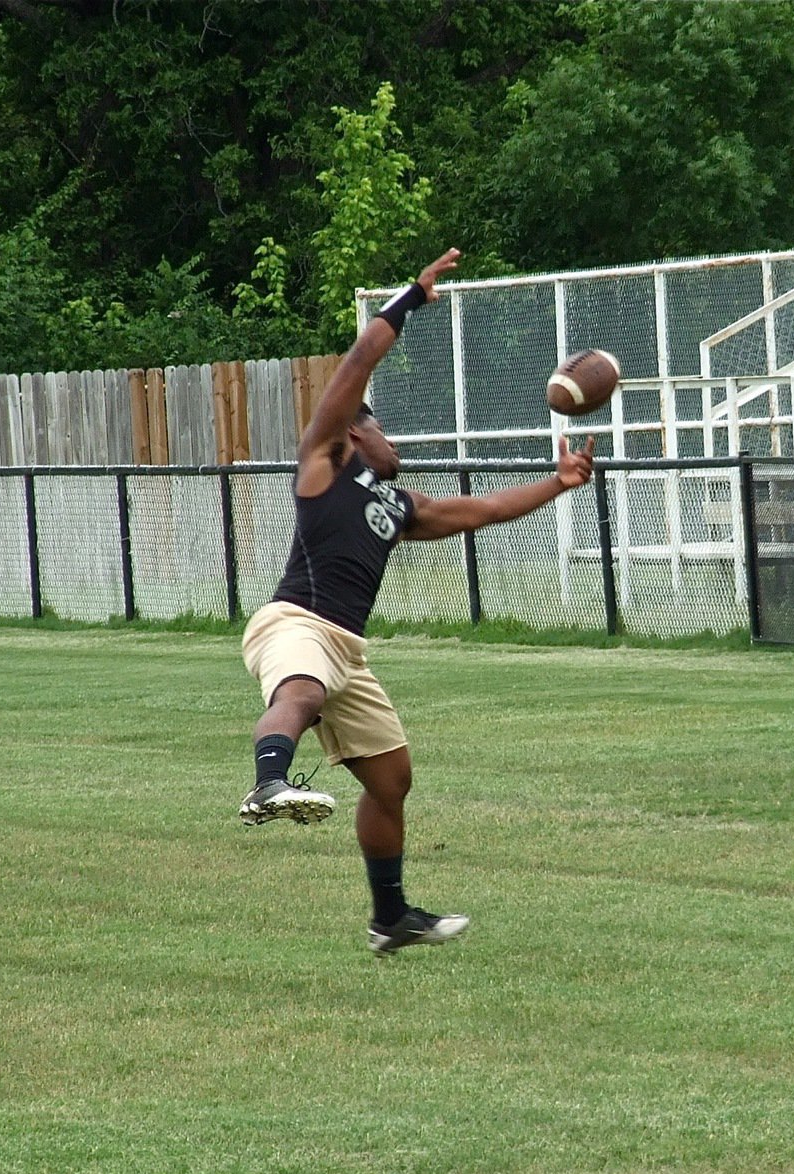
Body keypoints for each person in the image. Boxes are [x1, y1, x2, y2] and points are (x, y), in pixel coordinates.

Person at [240, 247, 595, 957]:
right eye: (378, 424)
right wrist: (411, 298)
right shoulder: (326, 462)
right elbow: (354, 368)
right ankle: (267, 784)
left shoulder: (397, 503)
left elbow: (485, 510)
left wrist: (560, 483)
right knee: (302, 688)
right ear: (353, 432)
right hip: (293, 622)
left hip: (348, 645)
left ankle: (390, 918)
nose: (387, 433)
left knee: (392, 780)